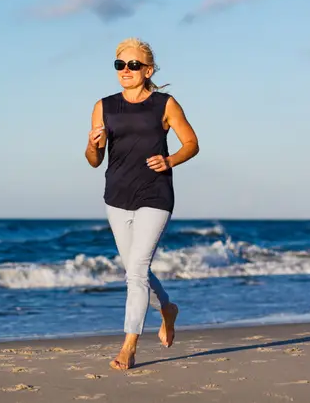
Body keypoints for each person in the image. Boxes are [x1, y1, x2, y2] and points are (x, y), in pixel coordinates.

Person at [85, 37, 199, 371]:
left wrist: (170, 159)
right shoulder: (103, 106)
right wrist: (93, 144)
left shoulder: (165, 104)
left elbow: (191, 143)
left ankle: (129, 347)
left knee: (135, 273)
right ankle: (167, 307)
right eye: (120, 65)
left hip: (155, 194)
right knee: (138, 269)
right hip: (117, 197)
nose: (126, 71)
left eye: (133, 65)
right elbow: (94, 160)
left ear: (147, 70)